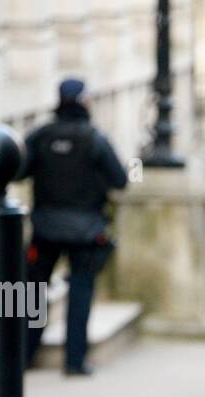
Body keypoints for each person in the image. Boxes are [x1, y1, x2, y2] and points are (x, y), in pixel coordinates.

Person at [18, 77, 129, 375]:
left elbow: (18, 170)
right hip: (86, 231)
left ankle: (24, 355)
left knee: (34, 292)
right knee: (80, 291)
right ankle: (75, 361)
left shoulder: (40, 137)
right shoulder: (95, 139)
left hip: (45, 229)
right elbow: (120, 179)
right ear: (84, 102)